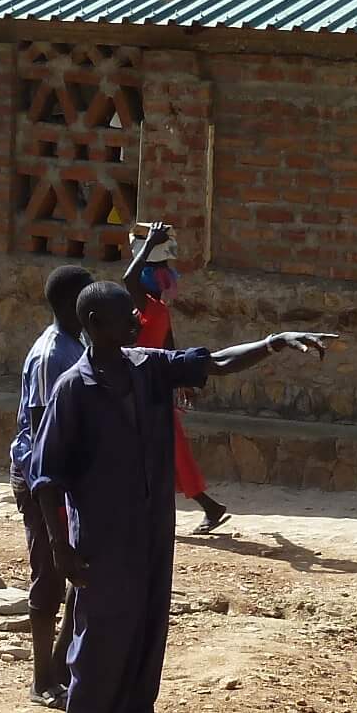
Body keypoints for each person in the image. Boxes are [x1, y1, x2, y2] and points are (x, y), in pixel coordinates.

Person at [34, 281, 330, 713]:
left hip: (151, 533)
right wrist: (61, 550)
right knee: (99, 639)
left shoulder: (149, 369)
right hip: (102, 540)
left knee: (140, 634)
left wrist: (273, 342)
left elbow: (214, 362)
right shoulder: (73, 390)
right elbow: (46, 477)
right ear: (94, 325)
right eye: (124, 316)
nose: (135, 322)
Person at [11, 265, 96, 708]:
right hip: (43, 480)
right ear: (70, 304)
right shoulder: (50, 356)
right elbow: (45, 442)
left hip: (66, 476)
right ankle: (42, 679)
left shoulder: (77, 342)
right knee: (49, 571)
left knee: (75, 570)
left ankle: (61, 668)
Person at [124, 224, 233, 533]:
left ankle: (207, 507)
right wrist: (183, 379)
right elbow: (171, 348)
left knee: (165, 451)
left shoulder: (145, 307)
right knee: (169, 450)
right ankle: (207, 506)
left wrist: (148, 247)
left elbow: (127, 278)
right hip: (154, 384)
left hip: (142, 387)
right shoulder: (159, 311)